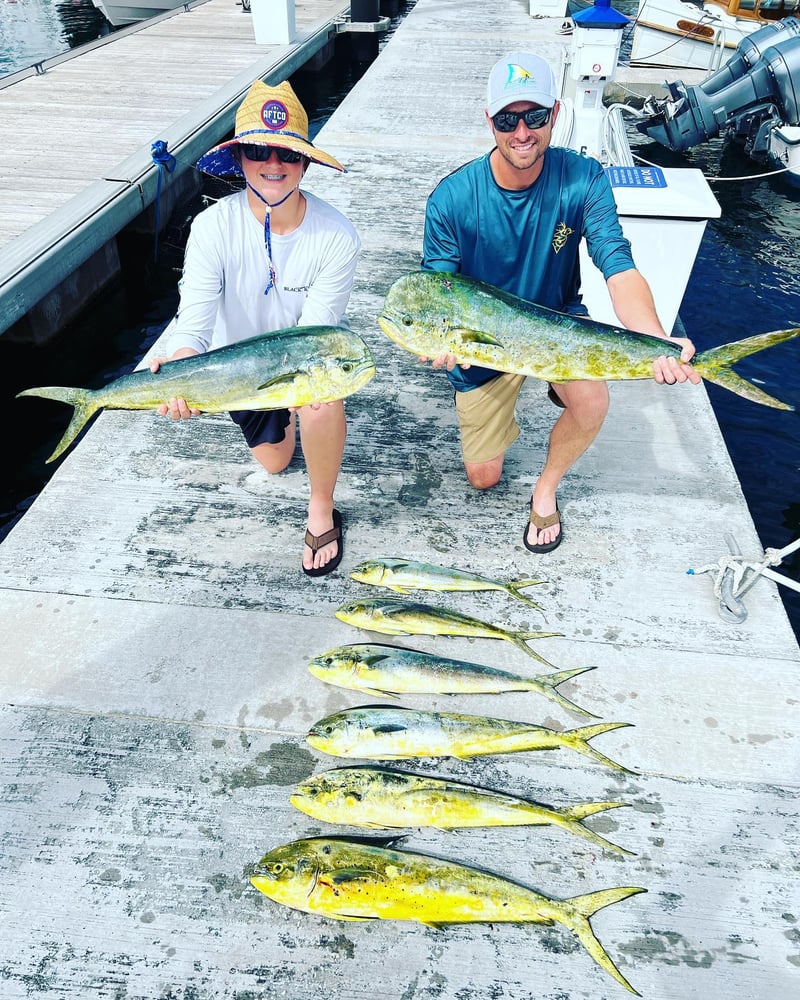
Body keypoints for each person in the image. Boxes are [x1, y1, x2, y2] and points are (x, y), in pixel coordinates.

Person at [421, 51, 701, 553]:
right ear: (490, 120)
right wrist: (437, 340)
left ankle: (546, 488)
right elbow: (436, 293)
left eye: (534, 116)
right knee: (483, 477)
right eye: (508, 118)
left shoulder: (584, 177)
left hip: (555, 322)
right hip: (484, 342)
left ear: (554, 114)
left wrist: (654, 336)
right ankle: (516, 392)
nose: (522, 131)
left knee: (594, 398)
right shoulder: (451, 200)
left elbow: (617, 265)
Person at [150, 79, 361, 577]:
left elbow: (314, 336)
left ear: (305, 163)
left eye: (287, 154)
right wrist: (182, 362)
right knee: (274, 461)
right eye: (258, 149)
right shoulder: (210, 227)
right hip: (235, 368)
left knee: (321, 393)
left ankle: (321, 508)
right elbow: (194, 323)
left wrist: (299, 387)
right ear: (240, 157)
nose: (273, 163)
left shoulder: (338, 235)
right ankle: (285, 426)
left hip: (301, 360)